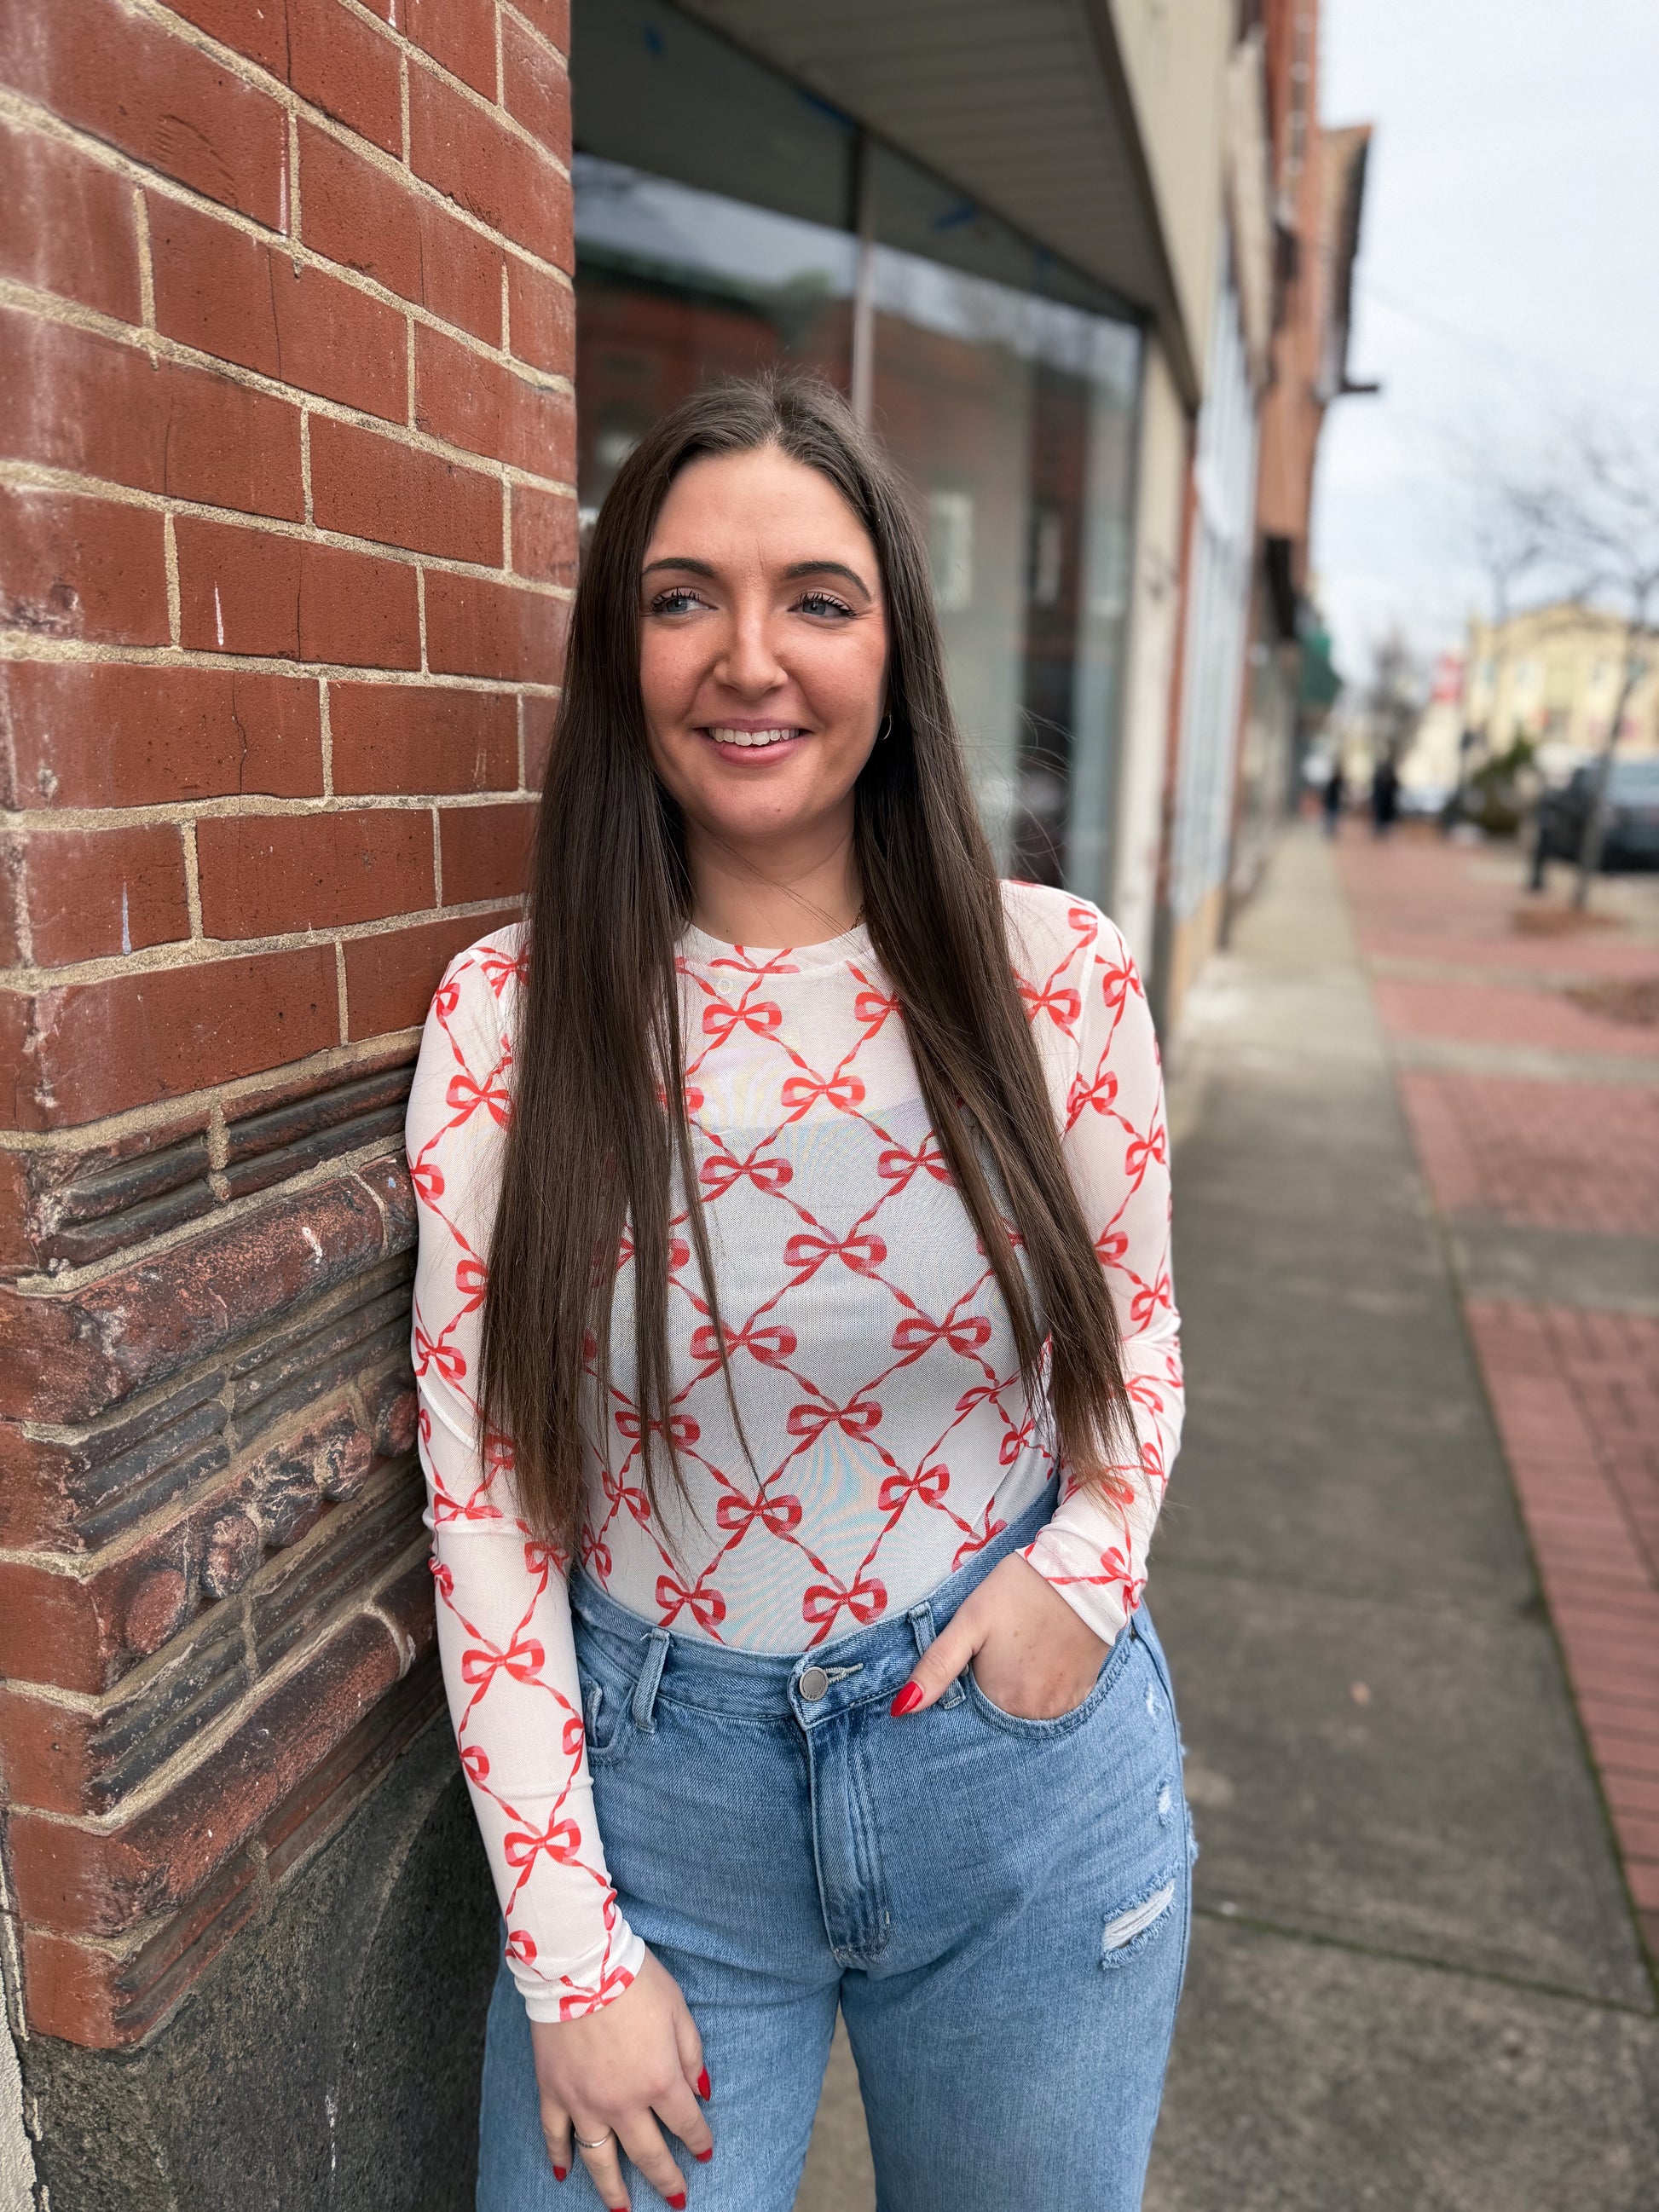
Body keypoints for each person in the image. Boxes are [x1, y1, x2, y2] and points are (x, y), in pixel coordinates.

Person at [408, 374, 1191, 2212]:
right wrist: (567, 1950)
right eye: (683, 597)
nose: (746, 658)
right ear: (621, 650)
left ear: (893, 646)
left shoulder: (1054, 975)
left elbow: (1135, 1344)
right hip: (656, 1809)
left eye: (814, 601)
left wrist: (1083, 1575)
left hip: (1016, 1783)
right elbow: (482, 1483)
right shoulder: (504, 1019)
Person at [1370, 750, 1400, 835]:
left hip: (1386, 807)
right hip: (1381, 806)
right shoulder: (1379, 781)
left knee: (1385, 823)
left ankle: (1383, 831)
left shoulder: (1389, 781)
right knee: (1380, 821)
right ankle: (1380, 831)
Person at [1321, 757, 1345, 837]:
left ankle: (1330, 829)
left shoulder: (1336, 780)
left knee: (1331, 815)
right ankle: (1329, 829)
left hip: (1333, 800)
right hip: (1331, 800)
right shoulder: (1334, 781)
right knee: (1331, 815)